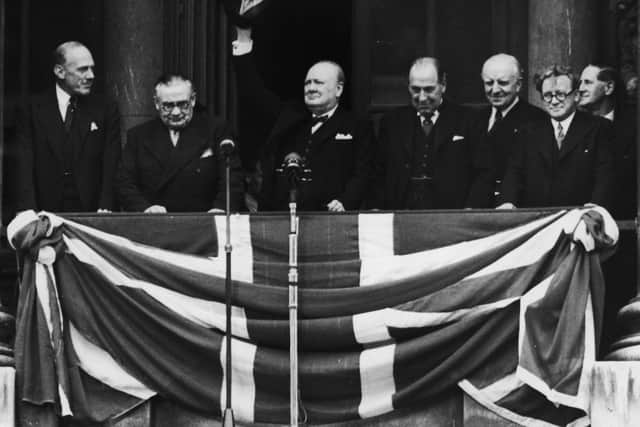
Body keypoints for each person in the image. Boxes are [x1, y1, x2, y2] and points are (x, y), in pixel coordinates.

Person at [232, 27, 374, 212]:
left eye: (319, 83)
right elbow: (254, 94)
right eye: (308, 83)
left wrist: (346, 201)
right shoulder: (291, 117)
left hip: (332, 221)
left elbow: (364, 173)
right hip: (282, 218)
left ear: (339, 89)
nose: (311, 88)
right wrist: (243, 42)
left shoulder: (357, 126)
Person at [371, 57, 492, 210]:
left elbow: (483, 173)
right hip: (402, 215)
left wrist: (470, 210)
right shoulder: (392, 122)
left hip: (452, 216)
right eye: (415, 89)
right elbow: (378, 173)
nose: (422, 97)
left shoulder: (468, 120)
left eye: (429, 89)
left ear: (443, 85)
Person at [15, 41, 121, 213]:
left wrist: (106, 206)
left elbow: (111, 161)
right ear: (60, 71)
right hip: (44, 211)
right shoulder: (32, 109)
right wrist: (28, 209)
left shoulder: (106, 109)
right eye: (82, 69)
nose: (91, 75)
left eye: (92, 68)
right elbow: (24, 162)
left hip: (93, 212)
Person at [116, 74, 243, 213]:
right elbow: (125, 183)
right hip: (156, 225)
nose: (176, 112)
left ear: (193, 100)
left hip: (205, 224)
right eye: (168, 106)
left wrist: (220, 208)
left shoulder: (217, 130)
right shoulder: (138, 136)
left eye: (183, 104)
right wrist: (145, 209)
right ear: (157, 103)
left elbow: (232, 178)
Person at [497, 65, 614, 209]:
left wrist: (596, 206)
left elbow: (604, 174)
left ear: (576, 95)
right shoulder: (527, 132)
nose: (553, 101)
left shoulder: (599, 128)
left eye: (560, 94)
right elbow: (514, 173)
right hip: (538, 220)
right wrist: (508, 202)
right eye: (547, 95)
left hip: (580, 219)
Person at [479, 53, 546, 205]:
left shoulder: (537, 119)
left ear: (518, 85)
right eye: (489, 83)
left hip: (515, 208)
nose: (495, 90)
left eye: (502, 83)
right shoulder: (474, 119)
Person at [579, 64, 637, 218]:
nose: (580, 88)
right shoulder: (575, 126)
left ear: (609, 87)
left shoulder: (632, 127)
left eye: (588, 82)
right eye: (580, 82)